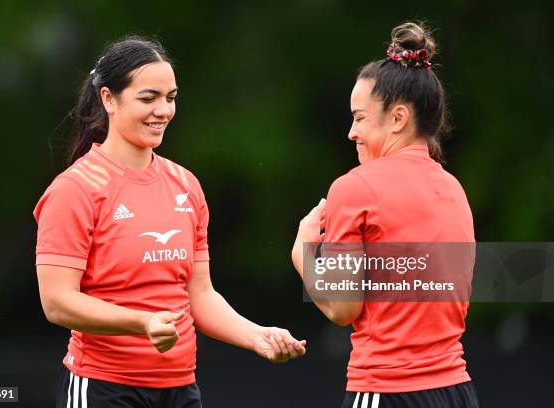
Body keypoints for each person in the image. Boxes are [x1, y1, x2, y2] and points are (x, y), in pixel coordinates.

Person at [34, 36, 306, 408]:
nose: (163, 110)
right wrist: (141, 323)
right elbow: (57, 302)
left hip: (180, 389)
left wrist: (254, 335)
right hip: (104, 387)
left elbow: (200, 295)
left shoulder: (185, 184)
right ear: (108, 99)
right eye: (148, 98)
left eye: (171, 97)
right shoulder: (76, 189)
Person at [291, 22, 480, 407]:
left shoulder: (354, 187)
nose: (351, 132)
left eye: (359, 118)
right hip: (457, 391)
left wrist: (305, 252)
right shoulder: (454, 190)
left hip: (388, 388)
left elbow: (343, 309)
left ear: (397, 118)